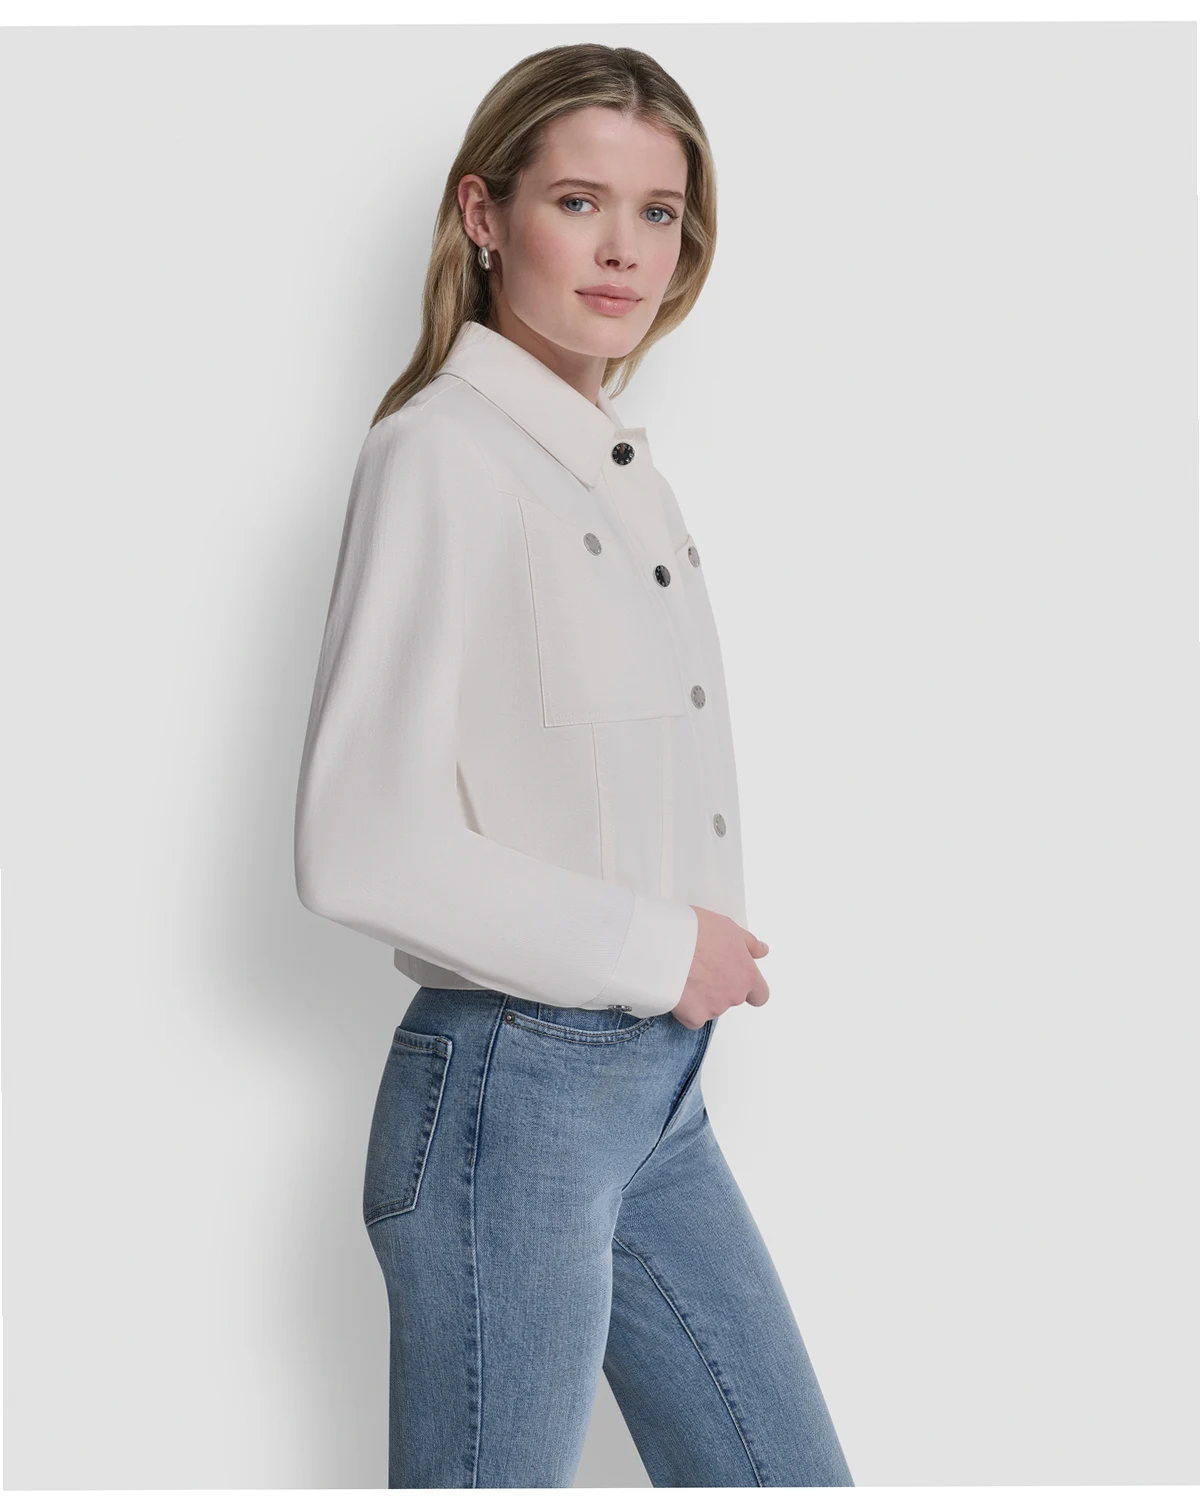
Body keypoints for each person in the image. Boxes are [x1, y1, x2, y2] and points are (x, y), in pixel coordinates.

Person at [293, 41, 854, 1491]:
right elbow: (355, 840)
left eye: (658, 211)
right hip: (513, 1096)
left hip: (657, 1105)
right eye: (579, 202)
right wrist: (663, 944)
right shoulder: (441, 455)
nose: (624, 250)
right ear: (484, 215)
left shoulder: (613, 472)